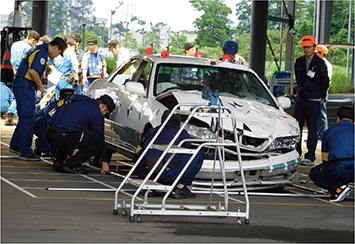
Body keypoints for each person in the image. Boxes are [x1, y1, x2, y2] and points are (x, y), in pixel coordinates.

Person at [9, 37, 68, 161]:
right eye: (58, 53)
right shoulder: (42, 53)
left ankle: (16, 145)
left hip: (22, 84)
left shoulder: (37, 49)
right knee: (28, 118)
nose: (57, 56)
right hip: (25, 85)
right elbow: (33, 71)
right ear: (56, 48)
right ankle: (25, 150)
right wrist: (41, 87)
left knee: (24, 116)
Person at [136, 110, 205, 199]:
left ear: (161, 122)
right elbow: (187, 151)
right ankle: (180, 187)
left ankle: (149, 187)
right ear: (180, 124)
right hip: (167, 175)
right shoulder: (181, 133)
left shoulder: (151, 131)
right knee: (198, 153)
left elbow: (137, 153)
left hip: (145, 173)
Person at [45, 94, 115, 175]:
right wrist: (104, 162)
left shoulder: (78, 98)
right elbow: (100, 137)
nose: (104, 115)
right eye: (106, 112)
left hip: (49, 132)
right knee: (97, 140)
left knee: (73, 132)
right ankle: (71, 164)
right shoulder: (96, 112)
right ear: (103, 106)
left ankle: (59, 160)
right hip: (63, 136)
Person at [294, 36, 330, 166]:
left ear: (314, 47)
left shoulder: (320, 63)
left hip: (314, 99)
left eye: (309, 47)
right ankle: (296, 154)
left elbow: (325, 81)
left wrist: (322, 96)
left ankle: (310, 156)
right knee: (296, 127)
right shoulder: (299, 62)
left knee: (312, 128)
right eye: (304, 47)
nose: (306, 49)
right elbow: (299, 78)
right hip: (301, 98)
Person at [309, 107, 354, 203]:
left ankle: (337, 189)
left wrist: (333, 181)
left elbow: (325, 159)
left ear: (338, 118)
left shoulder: (329, 132)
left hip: (339, 170)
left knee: (314, 173)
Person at [4, 30, 40, 126]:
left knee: (18, 93)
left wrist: (15, 71)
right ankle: (20, 118)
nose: (35, 44)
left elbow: (12, 60)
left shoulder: (15, 45)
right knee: (25, 96)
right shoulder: (28, 48)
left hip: (16, 72)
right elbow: (28, 63)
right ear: (32, 39)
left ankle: (11, 111)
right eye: (35, 42)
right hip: (25, 74)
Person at [34, 88, 75, 159]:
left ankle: (41, 145)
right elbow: (49, 123)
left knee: (61, 152)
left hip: (62, 131)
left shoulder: (76, 107)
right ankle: (45, 148)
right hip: (47, 127)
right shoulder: (53, 106)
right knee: (42, 121)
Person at [314, 44, 332, 142]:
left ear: (322, 54)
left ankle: (321, 136)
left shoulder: (325, 65)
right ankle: (318, 135)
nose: (315, 54)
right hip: (318, 92)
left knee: (321, 115)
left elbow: (325, 81)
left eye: (317, 53)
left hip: (322, 92)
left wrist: (323, 95)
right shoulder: (319, 63)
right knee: (317, 114)